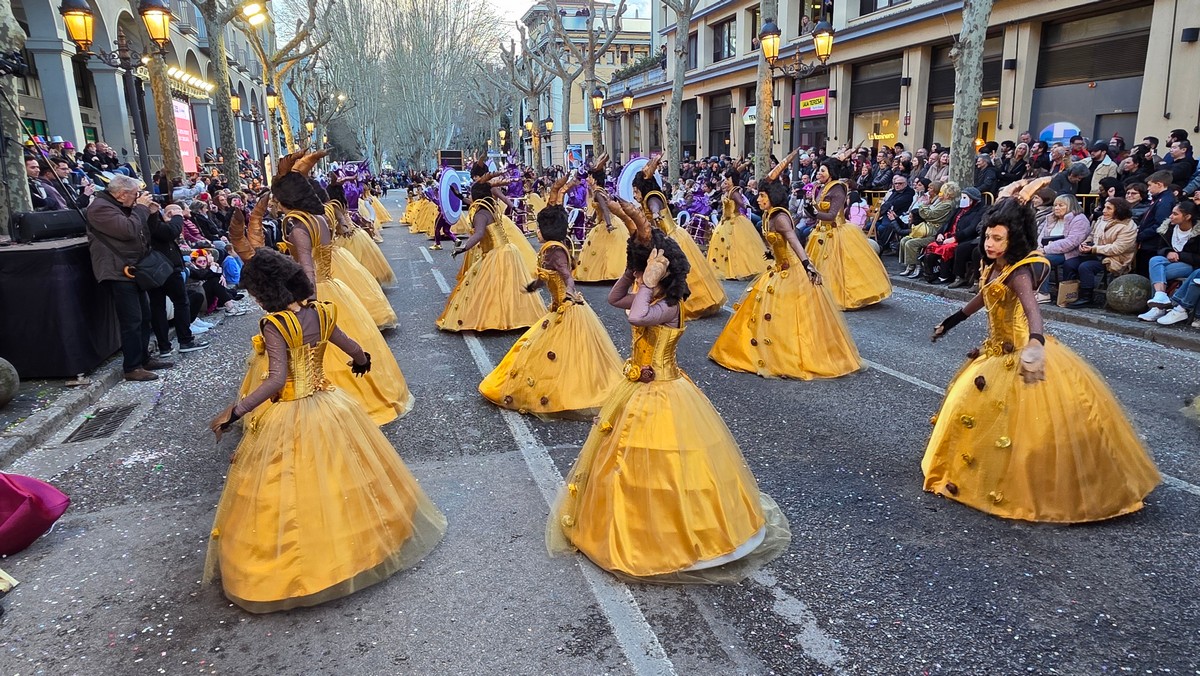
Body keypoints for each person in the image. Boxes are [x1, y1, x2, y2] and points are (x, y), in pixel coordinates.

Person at [547, 218, 790, 583]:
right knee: (627, 460)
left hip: (665, 390)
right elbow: (615, 299)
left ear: (663, 274)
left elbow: (637, 315)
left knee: (668, 465)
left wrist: (646, 282)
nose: (641, 276)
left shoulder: (671, 306)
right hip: (638, 388)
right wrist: (632, 271)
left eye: (647, 271)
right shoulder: (653, 295)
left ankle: (680, 535)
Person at [205, 247, 445, 613]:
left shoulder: (275, 324)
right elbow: (353, 348)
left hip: (291, 412)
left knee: (290, 486)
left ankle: (309, 567)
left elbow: (276, 381)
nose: (254, 299)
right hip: (331, 404)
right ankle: (364, 546)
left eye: (254, 292)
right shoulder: (322, 311)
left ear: (265, 291)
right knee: (343, 472)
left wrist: (234, 412)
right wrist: (362, 361)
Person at [924, 197, 1160, 522]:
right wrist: (950, 322)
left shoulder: (1019, 272)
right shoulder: (995, 266)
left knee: (1027, 423)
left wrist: (1035, 344)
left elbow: (1034, 311)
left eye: (998, 238)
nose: (990, 244)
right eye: (988, 237)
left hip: (1020, 351)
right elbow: (982, 297)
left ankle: (1033, 486)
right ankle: (984, 474)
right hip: (996, 350)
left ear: (1013, 240)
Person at [235, 151, 414, 426]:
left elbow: (307, 267)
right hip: (333, 282)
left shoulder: (297, 226)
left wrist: (308, 303)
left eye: (276, 199)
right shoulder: (318, 218)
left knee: (308, 351)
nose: (274, 205)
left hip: (312, 290)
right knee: (340, 338)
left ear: (285, 200)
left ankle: (319, 405)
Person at [709, 155, 862, 380]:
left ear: (771, 196)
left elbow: (794, 242)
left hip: (791, 271)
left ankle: (788, 355)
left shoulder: (780, 217)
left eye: (762, 195)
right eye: (759, 195)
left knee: (790, 313)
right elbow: (778, 242)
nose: (758, 199)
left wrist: (808, 265)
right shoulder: (768, 214)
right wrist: (772, 252)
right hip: (777, 268)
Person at [478, 195, 622, 417]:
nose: (536, 231)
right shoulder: (549, 248)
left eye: (539, 227)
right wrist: (533, 286)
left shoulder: (555, 251)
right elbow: (547, 276)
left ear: (546, 230)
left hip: (568, 307)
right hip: (558, 307)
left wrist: (569, 293)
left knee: (568, 351)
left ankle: (570, 391)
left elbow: (567, 276)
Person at [86, 175, 174, 381]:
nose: (137, 198)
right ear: (122, 194)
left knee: (144, 316)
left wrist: (151, 213)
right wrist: (141, 208)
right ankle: (132, 367)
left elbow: (143, 231)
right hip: (117, 272)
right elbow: (128, 231)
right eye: (135, 195)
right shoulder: (100, 209)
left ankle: (143, 358)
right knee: (131, 320)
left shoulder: (122, 206)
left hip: (132, 269)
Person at [437, 171, 547, 332]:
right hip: (508, 250)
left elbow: (479, 234)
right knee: (509, 286)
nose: (470, 197)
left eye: (471, 195)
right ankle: (514, 316)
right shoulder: (490, 208)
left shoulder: (480, 214)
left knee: (492, 287)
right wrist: (459, 196)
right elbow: (472, 205)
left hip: (496, 253)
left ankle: (497, 318)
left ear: (477, 196)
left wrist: (463, 248)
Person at [632, 155, 727, 318]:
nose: (634, 195)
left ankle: (679, 304)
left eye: (636, 191)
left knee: (674, 272)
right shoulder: (650, 197)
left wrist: (655, 216)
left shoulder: (651, 198)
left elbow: (655, 210)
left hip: (670, 238)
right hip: (667, 237)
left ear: (642, 189)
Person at [806, 158, 893, 308]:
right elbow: (817, 212)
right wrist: (808, 209)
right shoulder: (821, 187)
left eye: (822, 170)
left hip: (836, 233)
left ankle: (840, 296)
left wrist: (814, 213)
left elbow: (831, 215)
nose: (819, 173)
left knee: (839, 268)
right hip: (820, 232)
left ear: (831, 172)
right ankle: (817, 293)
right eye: (819, 170)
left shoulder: (838, 189)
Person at [148, 203, 210, 357]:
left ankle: (164, 347)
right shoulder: (149, 219)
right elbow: (169, 232)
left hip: (153, 268)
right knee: (180, 302)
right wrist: (176, 216)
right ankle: (185, 340)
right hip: (167, 267)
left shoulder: (141, 218)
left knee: (158, 307)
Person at [1062, 197, 1137, 308]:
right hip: (1096, 254)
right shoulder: (1101, 220)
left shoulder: (1128, 226)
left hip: (1115, 259)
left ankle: (1087, 298)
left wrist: (1094, 249)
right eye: (1104, 207)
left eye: (1109, 208)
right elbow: (1092, 235)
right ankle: (1068, 293)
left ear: (1119, 210)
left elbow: (1118, 248)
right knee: (1070, 263)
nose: (1104, 211)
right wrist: (1086, 243)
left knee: (1086, 266)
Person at [1139, 201, 1200, 321]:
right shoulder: (1168, 228)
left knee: (1156, 272)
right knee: (1155, 260)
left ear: (1187, 216)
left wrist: (1180, 256)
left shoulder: (1197, 233)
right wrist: (1168, 252)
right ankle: (1160, 296)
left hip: (1190, 266)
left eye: (1175, 214)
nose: (1171, 216)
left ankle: (1158, 307)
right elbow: (1160, 248)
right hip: (1167, 262)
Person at [706, 163, 768, 280]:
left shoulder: (734, 192)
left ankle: (737, 269)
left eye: (728, 179)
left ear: (733, 180)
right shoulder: (727, 190)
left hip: (735, 221)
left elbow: (741, 202)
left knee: (737, 246)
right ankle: (726, 268)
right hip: (725, 221)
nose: (726, 181)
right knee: (725, 246)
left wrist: (747, 206)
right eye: (725, 179)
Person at [574, 154, 630, 283]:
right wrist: (592, 218)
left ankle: (607, 273)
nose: (587, 179)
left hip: (607, 223)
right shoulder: (600, 191)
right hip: (606, 221)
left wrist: (609, 225)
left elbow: (605, 208)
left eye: (589, 177)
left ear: (594, 179)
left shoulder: (598, 192)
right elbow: (599, 208)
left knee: (605, 248)